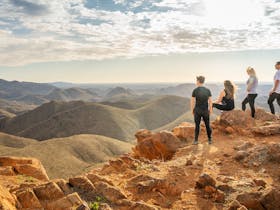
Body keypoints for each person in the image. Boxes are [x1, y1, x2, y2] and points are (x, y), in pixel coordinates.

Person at [191, 76, 213, 145]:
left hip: (197, 110)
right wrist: (210, 109)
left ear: (198, 81)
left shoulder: (195, 90)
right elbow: (210, 101)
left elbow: (192, 101)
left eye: (196, 80)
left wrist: (192, 110)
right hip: (205, 110)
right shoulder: (207, 90)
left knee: (197, 125)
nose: (196, 82)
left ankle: (196, 140)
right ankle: (209, 139)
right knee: (207, 125)